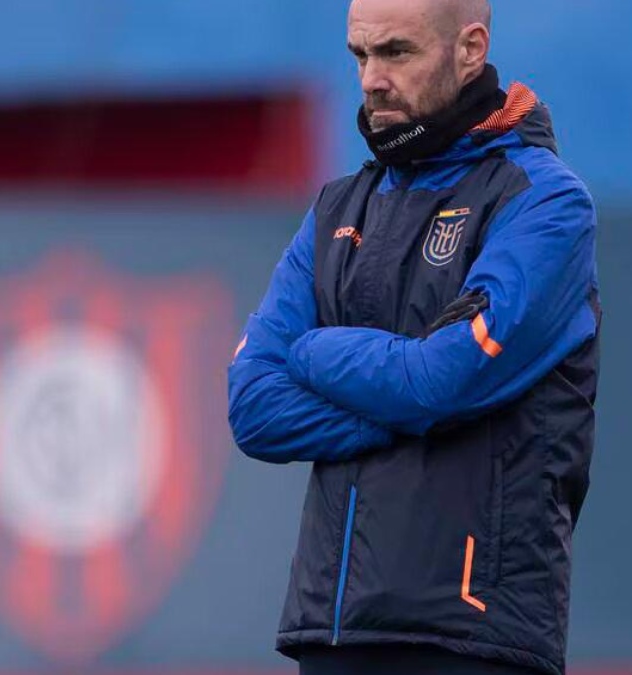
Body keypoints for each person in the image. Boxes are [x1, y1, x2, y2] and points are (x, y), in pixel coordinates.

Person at [226, 0, 600, 674]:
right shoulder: (336, 207)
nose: (371, 78)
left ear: (470, 48)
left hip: (471, 636)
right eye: (360, 56)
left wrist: (313, 352)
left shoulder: (545, 201)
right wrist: (412, 407)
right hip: (332, 632)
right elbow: (254, 408)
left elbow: (442, 381)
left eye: (396, 52)